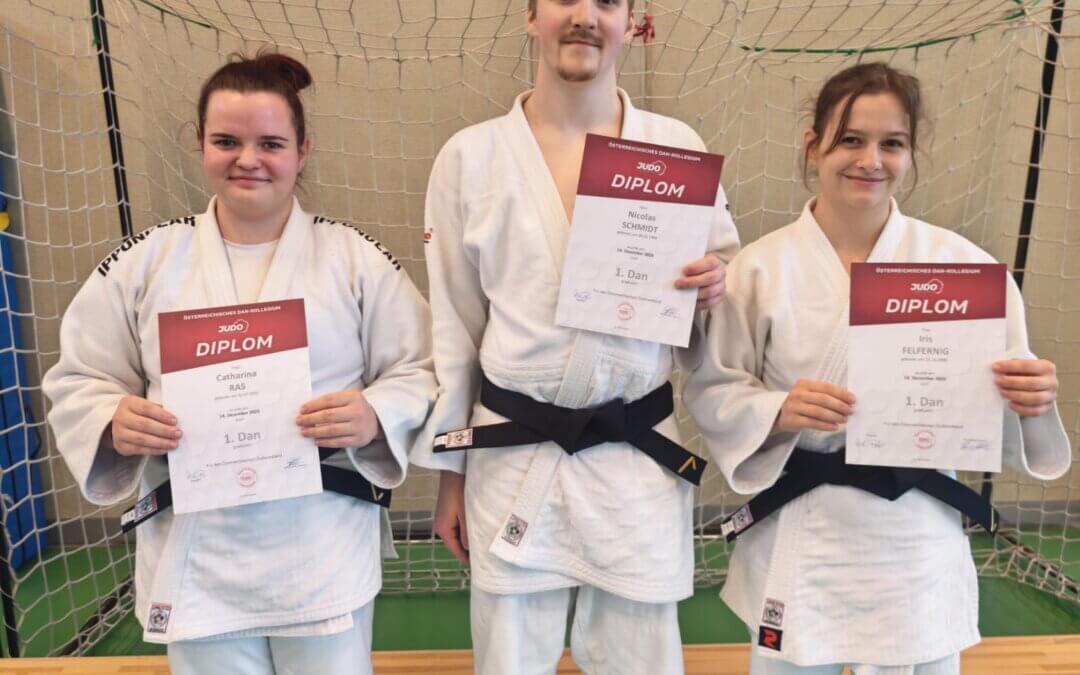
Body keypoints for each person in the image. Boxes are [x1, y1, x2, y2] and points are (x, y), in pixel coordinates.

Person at [42, 53, 435, 675]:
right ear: (200, 144)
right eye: (226, 141)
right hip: (199, 546)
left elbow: (420, 367)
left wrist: (374, 414)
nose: (248, 159)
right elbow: (80, 376)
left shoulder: (355, 259)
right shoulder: (147, 260)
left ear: (302, 151)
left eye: (270, 144)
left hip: (319, 541)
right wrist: (112, 419)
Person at [684, 62, 1072, 675]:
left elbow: (994, 404)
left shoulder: (963, 268)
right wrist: (776, 411)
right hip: (803, 531)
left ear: (911, 154)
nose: (870, 160)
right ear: (813, 147)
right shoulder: (758, 270)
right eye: (850, 139)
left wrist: (1032, 401)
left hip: (914, 535)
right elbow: (715, 387)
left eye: (891, 143)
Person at [409, 0, 740, 672]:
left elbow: (718, 297)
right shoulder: (469, 157)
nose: (585, 15)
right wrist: (449, 475)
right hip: (512, 456)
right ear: (532, 17)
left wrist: (715, 287)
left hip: (634, 463)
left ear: (631, 22)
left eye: (607, 2)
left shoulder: (675, 147)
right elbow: (454, 328)